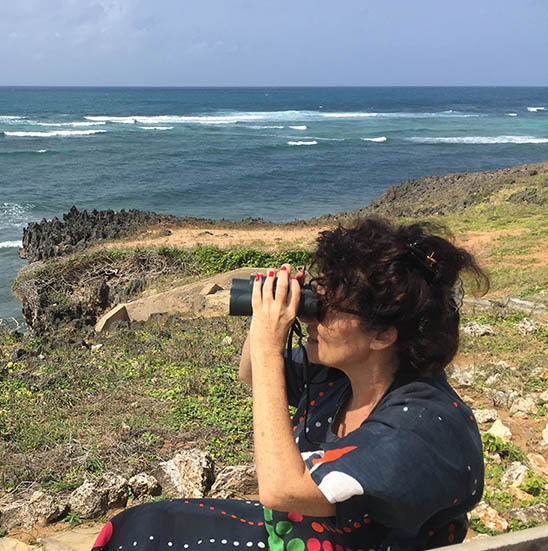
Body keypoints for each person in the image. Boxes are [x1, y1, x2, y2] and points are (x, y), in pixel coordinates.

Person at [91, 217, 488, 551]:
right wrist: (264, 328)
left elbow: (284, 491)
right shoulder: (341, 375)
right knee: (140, 528)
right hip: (302, 536)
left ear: (383, 333)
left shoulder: (423, 427)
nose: (312, 317)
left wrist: (268, 344)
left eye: (325, 307)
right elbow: (253, 375)